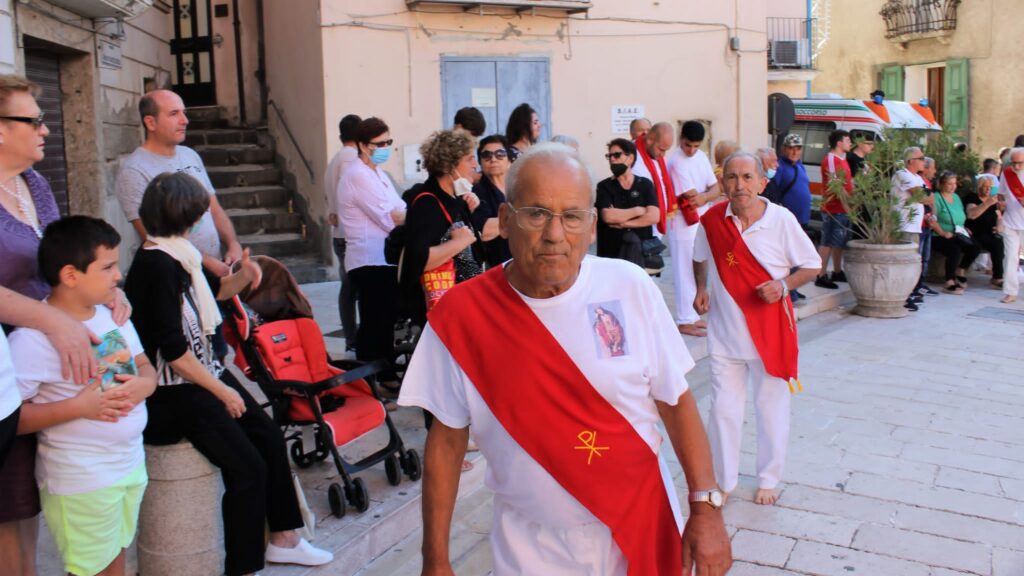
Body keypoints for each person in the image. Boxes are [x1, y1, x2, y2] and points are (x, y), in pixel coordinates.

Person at [398, 143, 732, 576]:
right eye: (536, 213)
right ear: (504, 221)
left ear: (591, 226)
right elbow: (446, 441)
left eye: (572, 216)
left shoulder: (628, 286)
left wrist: (705, 508)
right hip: (529, 546)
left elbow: (675, 400)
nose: (555, 234)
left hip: (641, 525)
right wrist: (435, 559)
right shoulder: (461, 316)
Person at [124, 172, 332, 576]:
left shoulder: (179, 253)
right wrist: (222, 390)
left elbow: (211, 296)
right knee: (247, 469)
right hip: (176, 391)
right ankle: (243, 566)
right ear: (185, 215)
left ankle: (285, 539)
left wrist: (245, 276)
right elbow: (173, 349)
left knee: (269, 437)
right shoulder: (156, 264)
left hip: (202, 373)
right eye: (201, 212)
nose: (204, 218)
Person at [0, 74, 131, 576]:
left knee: (43, 494)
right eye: (31, 120)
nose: (45, 130)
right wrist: (53, 321)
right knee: (10, 509)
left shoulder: (34, 183)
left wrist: (105, 288)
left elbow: (64, 261)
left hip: (57, 358)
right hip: (15, 366)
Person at [10, 216, 157, 576]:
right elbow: (13, 418)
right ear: (71, 275)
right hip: (82, 478)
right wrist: (80, 406)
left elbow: (143, 365)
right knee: (91, 569)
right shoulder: (31, 338)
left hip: (128, 466)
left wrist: (147, 384)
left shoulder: (113, 316)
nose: (118, 276)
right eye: (107, 267)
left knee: (115, 561)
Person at [692, 151, 821, 507]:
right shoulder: (713, 220)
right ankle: (723, 480)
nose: (739, 185)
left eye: (748, 177)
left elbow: (812, 265)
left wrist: (783, 285)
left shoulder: (781, 221)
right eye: (732, 177)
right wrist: (701, 288)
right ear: (723, 184)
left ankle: (769, 478)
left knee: (771, 410)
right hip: (724, 334)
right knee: (723, 412)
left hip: (770, 334)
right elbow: (699, 256)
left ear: (762, 182)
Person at [114, 89, 242, 278]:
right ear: (150, 122)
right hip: (177, 274)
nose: (185, 120)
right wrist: (207, 262)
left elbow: (213, 209)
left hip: (216, 267)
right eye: (174, 114)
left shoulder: (190, 155)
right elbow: (154, 238)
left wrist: (233, 244)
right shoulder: (134, 170)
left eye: (184, 112)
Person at [338, 117, 406, 376]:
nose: (386, 147)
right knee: (374, 322)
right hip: (368, 259)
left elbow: (400, 208)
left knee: (385, 320)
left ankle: (384, 375)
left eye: (389, 142)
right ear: (364, 146)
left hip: (383, 258)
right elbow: (390, 217)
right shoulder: (357, 174)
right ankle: (373, 379)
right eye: (380, 144)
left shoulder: (378, 174)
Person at [400, 129, 483, 329]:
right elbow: (418, 259)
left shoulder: (455, 200)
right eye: (469, 159)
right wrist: (459, 243)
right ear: (449, 165)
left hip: (460, 305)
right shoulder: (427, 204)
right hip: (440, 311)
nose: (475, 164)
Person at [665, 121, 721, 337]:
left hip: (701, 220)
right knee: (683, 269)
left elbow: (715, 188)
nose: (692, 150)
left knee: (698, 266)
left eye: (696, 146)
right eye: (688, 145)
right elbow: (692, 197)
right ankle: (684, 319)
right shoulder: (676, 162)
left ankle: (693, 315)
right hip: (683, 222)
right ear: (681, 139)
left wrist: (706, 195)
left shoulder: (701, 157)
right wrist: (707, 195)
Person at [325, 113, 361, 351]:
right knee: (352, 289)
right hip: (350, 233)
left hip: (341, 232)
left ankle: (351, 338)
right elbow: (351, 190)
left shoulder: (337, 157)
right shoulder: (350, 157)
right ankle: (352, 339)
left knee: (348, 288)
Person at [595, 138, 658, 266]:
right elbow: (608, 216)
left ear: (630, 158)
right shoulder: (604, 186)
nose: (612, 159)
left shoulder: (645, 184)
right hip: (612, 253)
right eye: (609, 156)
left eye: (617, 155)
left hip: (641, 253)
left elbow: (654, 216)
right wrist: (638, 210)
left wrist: (624, 223)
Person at [769, 134, 813, 303]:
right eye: (791, 148)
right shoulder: (780, 167)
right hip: (789, 219)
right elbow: (774, 191)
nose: (795, 151)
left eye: (798, 148)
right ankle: (789, 290)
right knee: (788, 255)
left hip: (802, 218)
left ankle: (794, 288)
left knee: (798, 256)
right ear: (784, 149)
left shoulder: (800, 166)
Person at [931, 171, 981, 294]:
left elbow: (960, 216)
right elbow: (931, 219)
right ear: (942, 184)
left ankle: (961, 269)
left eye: (955, 183)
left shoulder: (956, 197)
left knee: (975, 246)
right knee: (954, 249)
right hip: (939, 234)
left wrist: (964, 228)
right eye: (949, 184)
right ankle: (949, 281)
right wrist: (942, 233)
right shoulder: (936, 197)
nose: (953, 186)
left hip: (957, 232)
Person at [816, 129, 853, 289]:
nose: (850, 143)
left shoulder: (842, 160)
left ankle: (837, 271)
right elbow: (836, 184)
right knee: (828, 242)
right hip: (834, 208)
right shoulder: (831, 160)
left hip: (842, 208)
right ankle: (820, 274)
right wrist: (847, 205)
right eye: (847, 140)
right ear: (839, 143)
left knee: (839, 242)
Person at [470, 135, 512, 268]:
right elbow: (484, 231)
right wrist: (523, 218)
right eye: (486, 155)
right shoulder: (475, 192)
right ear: (480, 163)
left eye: (500, 154)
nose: (493, 159)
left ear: (509, 160)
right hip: (495, 266)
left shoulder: (521, 188)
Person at [964, 174, 1005, 288]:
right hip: (974, 232)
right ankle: (961, 270)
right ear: (979, 187)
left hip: (989, 232)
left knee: (998, 243)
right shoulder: (972, 197)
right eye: (985, 186)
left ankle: (997, 277)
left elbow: (999, 217)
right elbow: (971, 214)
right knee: (977, 244)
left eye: (990, 187)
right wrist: (987, 204)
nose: (988, 189)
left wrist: (999, 226)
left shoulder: (992, 200)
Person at [997, 148, 1024, 304]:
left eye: (1020, 163)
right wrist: (1001, 203)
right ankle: (1010, 292)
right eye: (1013, 163)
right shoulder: (1006, 174)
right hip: (1010, 222)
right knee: (1010, 258)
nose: (1016, 167)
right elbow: (1001, 194)